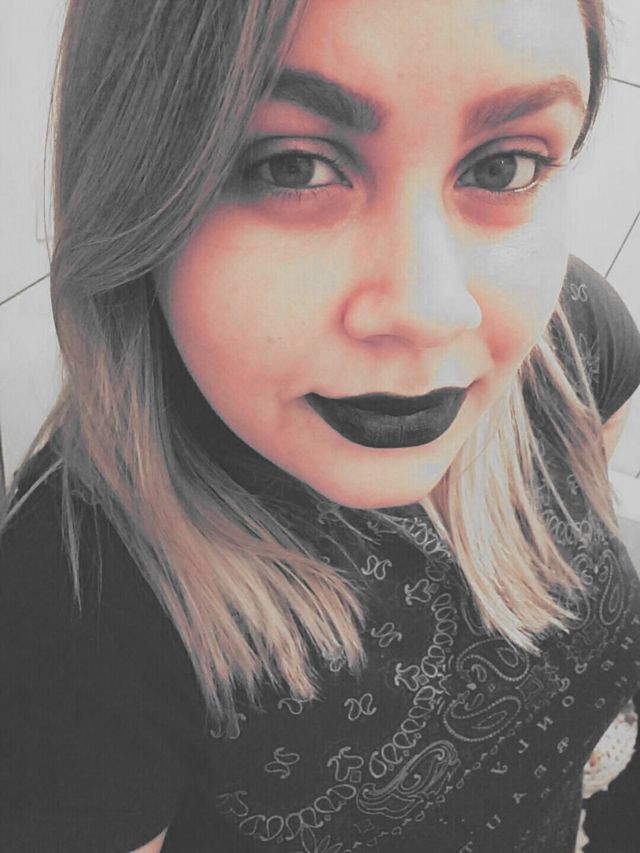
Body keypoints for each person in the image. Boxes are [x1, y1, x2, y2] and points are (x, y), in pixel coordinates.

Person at [1, 0, 639, 851]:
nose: (430, 310)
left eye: (505, 166)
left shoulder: (569, 337)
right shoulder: (72, 601)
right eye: (293, 165)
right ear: (133, 191)